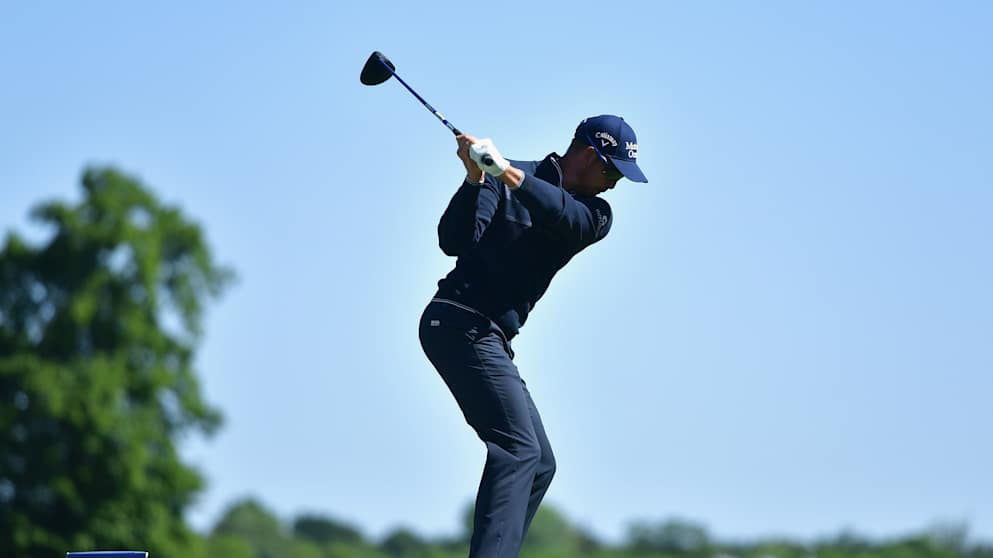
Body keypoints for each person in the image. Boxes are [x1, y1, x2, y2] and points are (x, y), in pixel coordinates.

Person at [418, 115, 648, 558]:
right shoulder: (498, 174)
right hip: (458, 322)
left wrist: (505, 172)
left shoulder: (595, 214)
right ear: (587, 155)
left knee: (540, 463)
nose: (616, 184)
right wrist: (473, 180)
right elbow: (454, 240)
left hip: (489, 336)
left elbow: (561, 215)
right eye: (613, 171)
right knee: (518, 449)